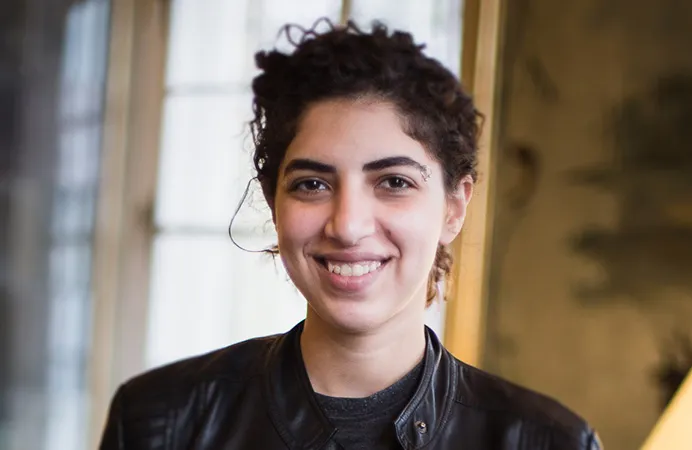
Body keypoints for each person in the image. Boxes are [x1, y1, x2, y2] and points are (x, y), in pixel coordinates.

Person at [99, 20, 602, 450]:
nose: (347, 225)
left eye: (394, 182)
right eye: (312, 184)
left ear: (454, 207)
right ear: (274, 202)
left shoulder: (548, 441)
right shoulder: (159, 422)